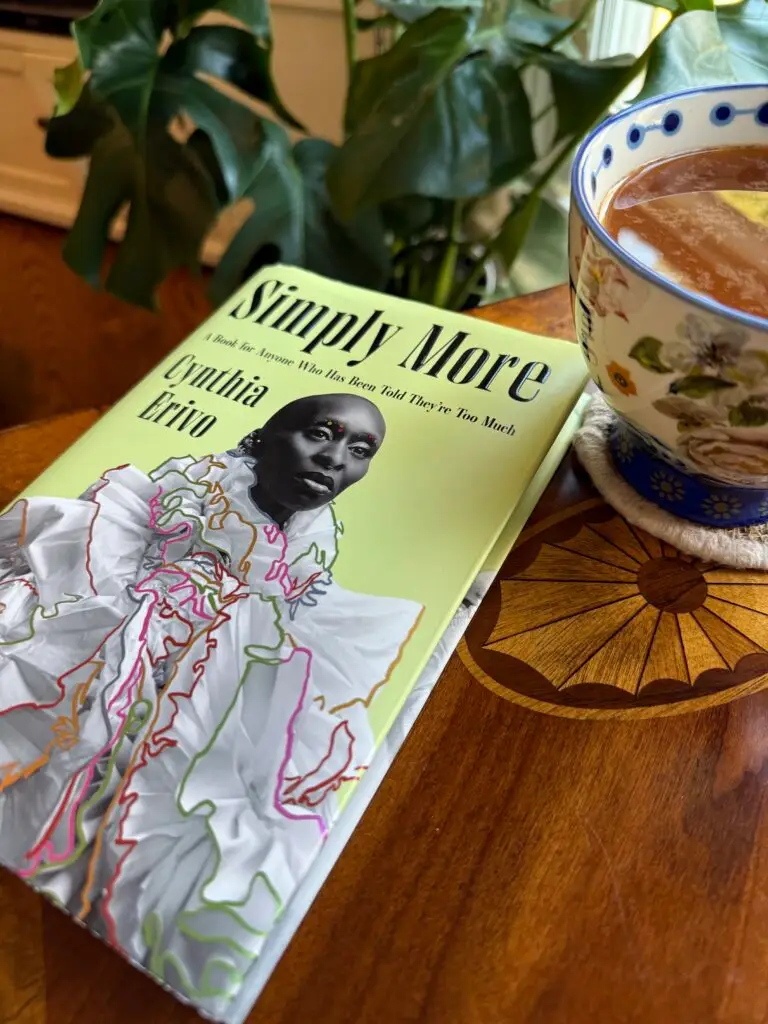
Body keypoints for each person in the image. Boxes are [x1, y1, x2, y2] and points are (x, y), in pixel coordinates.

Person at [0, 393, 422, 1018]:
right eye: (321, 435)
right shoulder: (200, 488)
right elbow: (112, 560)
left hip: (211, 673)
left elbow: (283, 613)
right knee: (77, 740)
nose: (335, 460)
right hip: (131, 633)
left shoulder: (313, 539)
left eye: (359, 451)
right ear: (268, 436)